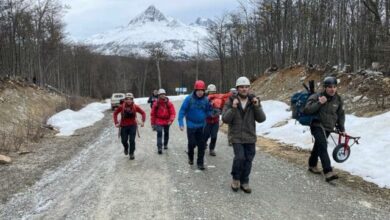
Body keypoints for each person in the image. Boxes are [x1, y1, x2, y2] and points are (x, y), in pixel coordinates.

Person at [222, 76, 266, 193]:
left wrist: (257, 106)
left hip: (250, 136)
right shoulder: (230, 101)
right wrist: (233, 108)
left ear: (249, 88)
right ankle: (236, 179)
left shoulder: (254, 101)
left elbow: (261, 119)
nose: (244, 89)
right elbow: (225, 119)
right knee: (240, 157)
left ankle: (245, 181)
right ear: (237, 88)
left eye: (246, 87)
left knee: (248, 159)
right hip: (236, 136)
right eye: (241, 87)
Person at [304, 76, 345, 182]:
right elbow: (307, 110)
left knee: (318, 146)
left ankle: (312, 165)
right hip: (316, 125)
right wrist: (319, 103)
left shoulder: (338, 99)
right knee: (323, 145)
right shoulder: (317, 96)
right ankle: (328, 171)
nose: (333, 89)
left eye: (335, 87)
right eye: (330, 87)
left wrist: (342, 128)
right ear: (325, 88)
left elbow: (340, 115)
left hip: (328, 127)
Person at [178, 80, 212, 170]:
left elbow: (208, 111)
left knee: (201, 145)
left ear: (204, 91)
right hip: (191, 125)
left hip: (201, 126)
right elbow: (182, 111)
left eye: (202, 90)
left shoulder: (206, 100)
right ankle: (190, 156)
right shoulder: (189, 99)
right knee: (192, 143)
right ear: (195, 90)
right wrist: (181, 123)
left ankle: (200, 163)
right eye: (198, 90)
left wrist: (213, 112)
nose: (200, 92)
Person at [113, 93, 146, 160]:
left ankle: (131, 153)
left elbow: (143, 113)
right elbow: (115, 113)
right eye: (127, 99)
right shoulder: (122, 106)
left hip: (132, 126)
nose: (129, 100)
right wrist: (116, 122)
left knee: (132, 140)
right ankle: (126, 148)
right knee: (124, 141)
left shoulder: (135, 106)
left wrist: (142, 121)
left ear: (132, 100)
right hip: (124, 126)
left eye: (130, 99)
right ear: (125, 100)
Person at [204, 84, 230, 156]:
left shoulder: (219, 99)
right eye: (211, 92)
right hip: (207, 121)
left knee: (214, 136)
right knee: (206, 135)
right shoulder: (205, 99)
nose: (212, 93)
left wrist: (221, 110)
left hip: (215, 121)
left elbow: (223, 107)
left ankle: (212, 149)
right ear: (208, 92)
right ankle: (203, 144)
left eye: (214, 92)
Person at [151, 88, 176, 154]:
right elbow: (153, 114)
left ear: (165, 95)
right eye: (161, 95)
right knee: (159, 132)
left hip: (167, 120)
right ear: (158, 95)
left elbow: (173, 113)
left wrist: (171, 120)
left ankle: (165, 144)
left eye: (163, 94)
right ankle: (159, 147)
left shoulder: (169, 103)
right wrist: (153, 123)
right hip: (158, 120)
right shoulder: (156, 104)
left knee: (166, 133)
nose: (162, 96)